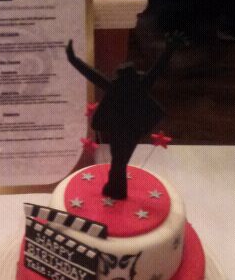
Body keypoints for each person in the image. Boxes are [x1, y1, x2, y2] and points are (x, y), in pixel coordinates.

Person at [65, 41, 165, 198]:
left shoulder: (120, 87)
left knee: (119, 162)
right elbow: (157, 70)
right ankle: (115, 189)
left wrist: (73, 59)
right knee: (119, 161)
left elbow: (93, 75)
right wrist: (73, 59)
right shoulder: (135, 86)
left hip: (127, 131)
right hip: (125, 131)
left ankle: (116, 189)